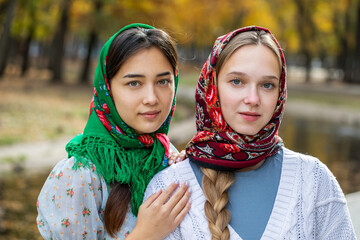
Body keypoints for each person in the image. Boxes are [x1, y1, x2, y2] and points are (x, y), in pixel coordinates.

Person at [144, 26, 357, 239]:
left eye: (267, 85)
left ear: (280, 92)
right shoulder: (168, 188)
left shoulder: (315, 181)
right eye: (237, 81)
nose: (253, 99)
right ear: (212, 87)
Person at [36, 23, 190, 240]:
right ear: (107, 88)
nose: (152, 98)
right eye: (134, 83)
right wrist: (144, 235)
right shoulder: (80, 175)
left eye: (163, 81)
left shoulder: (169, 157)